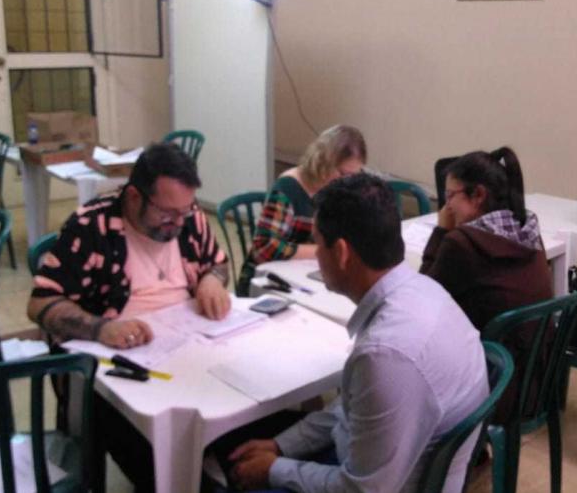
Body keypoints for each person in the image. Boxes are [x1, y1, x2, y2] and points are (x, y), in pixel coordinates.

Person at [228, 173, 489, 493]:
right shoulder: (423, 292)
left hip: (384, 484)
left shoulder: (386, 354)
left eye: (317, 243)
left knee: (224, 476)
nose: (315, 253)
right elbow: (353, 408)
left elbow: (363, 490)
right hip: (387, 466)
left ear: (341, 252)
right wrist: (281, 447)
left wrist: (275, 470)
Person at [27, 142, 231, 492]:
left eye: (187, 210)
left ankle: (216, 462)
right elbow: (41, 304)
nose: (179, 223)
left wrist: (213, 278)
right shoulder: (91, 227)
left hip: (188, 342)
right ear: (135, 197)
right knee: (143, 439)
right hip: (118, 363)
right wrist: (101, 328)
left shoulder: (188, 218)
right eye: (168, 214)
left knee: (237, 402)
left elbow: (218, 261)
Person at [419, 146, 553, 422]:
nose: (446, 207)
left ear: (478, 195)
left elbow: (421, 301)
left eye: (450, 196)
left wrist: (441, 231)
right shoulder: (526, 228)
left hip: (497, 389)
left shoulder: (463, 242)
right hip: (538, 378)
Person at [236, 125, 366, 295]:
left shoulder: (338, 189)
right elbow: (264, 249)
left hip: (303, 274)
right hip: (267, 281)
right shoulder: (288, 189)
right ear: (324, 162)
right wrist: (321, 252)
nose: (348, 182)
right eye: (343, 174)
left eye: (354, 176)